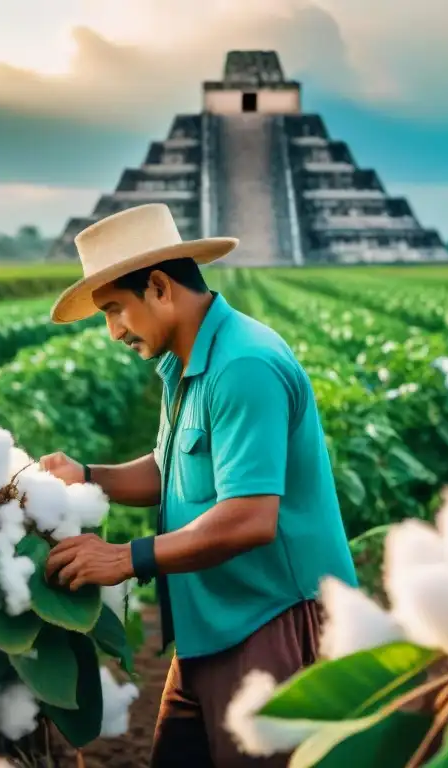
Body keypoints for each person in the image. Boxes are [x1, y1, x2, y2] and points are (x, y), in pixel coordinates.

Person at [39, 203, 358, 767]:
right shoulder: (189, 361)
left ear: (159, 287)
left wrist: (125, 558)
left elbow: (250, 518)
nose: (113, 331)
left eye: (115, 309)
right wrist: (88, 476)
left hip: (272, 623)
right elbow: (171, 471)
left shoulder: (243, 365)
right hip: (213, 629)